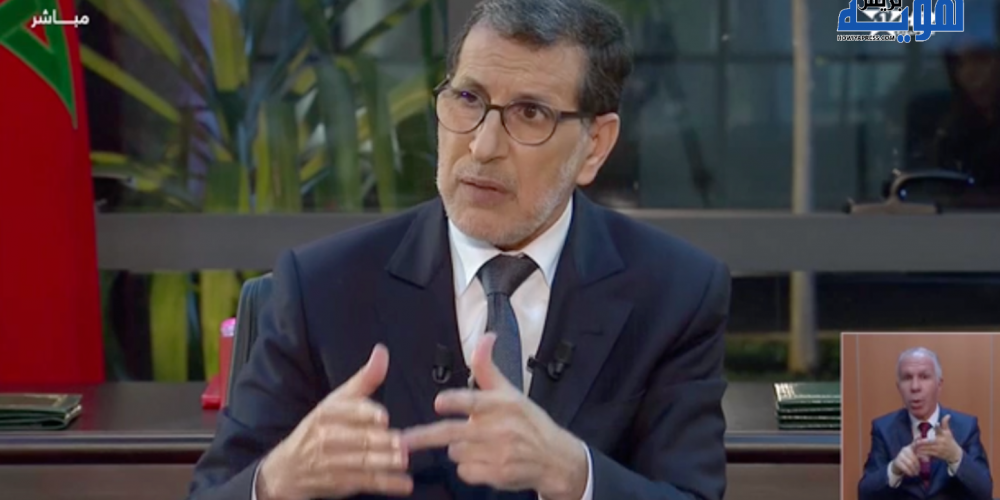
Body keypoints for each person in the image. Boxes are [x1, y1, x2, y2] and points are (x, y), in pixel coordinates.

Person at [187, 0, 731, 499]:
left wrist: (573, 474)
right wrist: (278, 479)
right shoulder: (322, 288)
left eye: (530, 114)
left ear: (595, 145)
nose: (483, 145)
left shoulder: (674, 294)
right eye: (468, 99)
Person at [858, 347, 993, 500]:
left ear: (939, 384)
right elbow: (864, 493)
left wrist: (956, 455)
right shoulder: (884, 429)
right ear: (899, 387)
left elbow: (985, 492)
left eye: (924, 377)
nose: (915, 387)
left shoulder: (966, 426)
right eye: (907, 378)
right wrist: (894, 469)